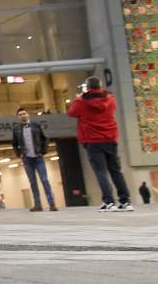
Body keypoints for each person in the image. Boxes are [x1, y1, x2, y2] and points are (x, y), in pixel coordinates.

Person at [67, 76, 132, 212]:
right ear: (100, 86)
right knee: (116, 171)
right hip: (110, 138)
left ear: (88, 87)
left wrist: (79, 97)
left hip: (93, 140)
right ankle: (125, 201)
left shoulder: (81, 101)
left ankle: (109, 202)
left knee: (101, 171)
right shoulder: (110, 98)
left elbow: (71, 113)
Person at [10, 107, 57, 212]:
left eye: (24, 113)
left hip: (38, 158)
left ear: (28, 115)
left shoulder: (36, 126)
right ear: (18, 117)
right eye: (20, 114)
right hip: (27, 159)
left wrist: (43, 151)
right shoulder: (16, 129)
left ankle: (52, 204)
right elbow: (14, 144)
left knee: (44, 180)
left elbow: (45, 138)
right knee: (33, 182)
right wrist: (19, 154)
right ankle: (37, 205)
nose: (22, 115)